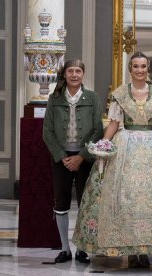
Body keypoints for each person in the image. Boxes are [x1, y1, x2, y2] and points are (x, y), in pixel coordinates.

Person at [72, 52, 152, 268]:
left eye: (143, 66)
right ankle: (129, 249)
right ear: (130, 69)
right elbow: (113, 124)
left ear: (148, 69)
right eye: (136, 66)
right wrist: (103, 146)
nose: (139, 70)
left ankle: (145, 249)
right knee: (124, 199)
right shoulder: (120, 94)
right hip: (125, 148)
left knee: (151, 200)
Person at [43, 59, 104, 264]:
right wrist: (62, 157)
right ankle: (65, 248)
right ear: (65, 74)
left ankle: (82, 249)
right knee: (61, 202)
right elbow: (47, 132)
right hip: (61, 159)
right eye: (71, 71)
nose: (75, 74)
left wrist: (81, 156)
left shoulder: (92, 98)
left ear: (83, 74)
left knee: (85, 203)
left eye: (78, 71)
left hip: (85, 158)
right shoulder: (55, 98)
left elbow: (98, 130)